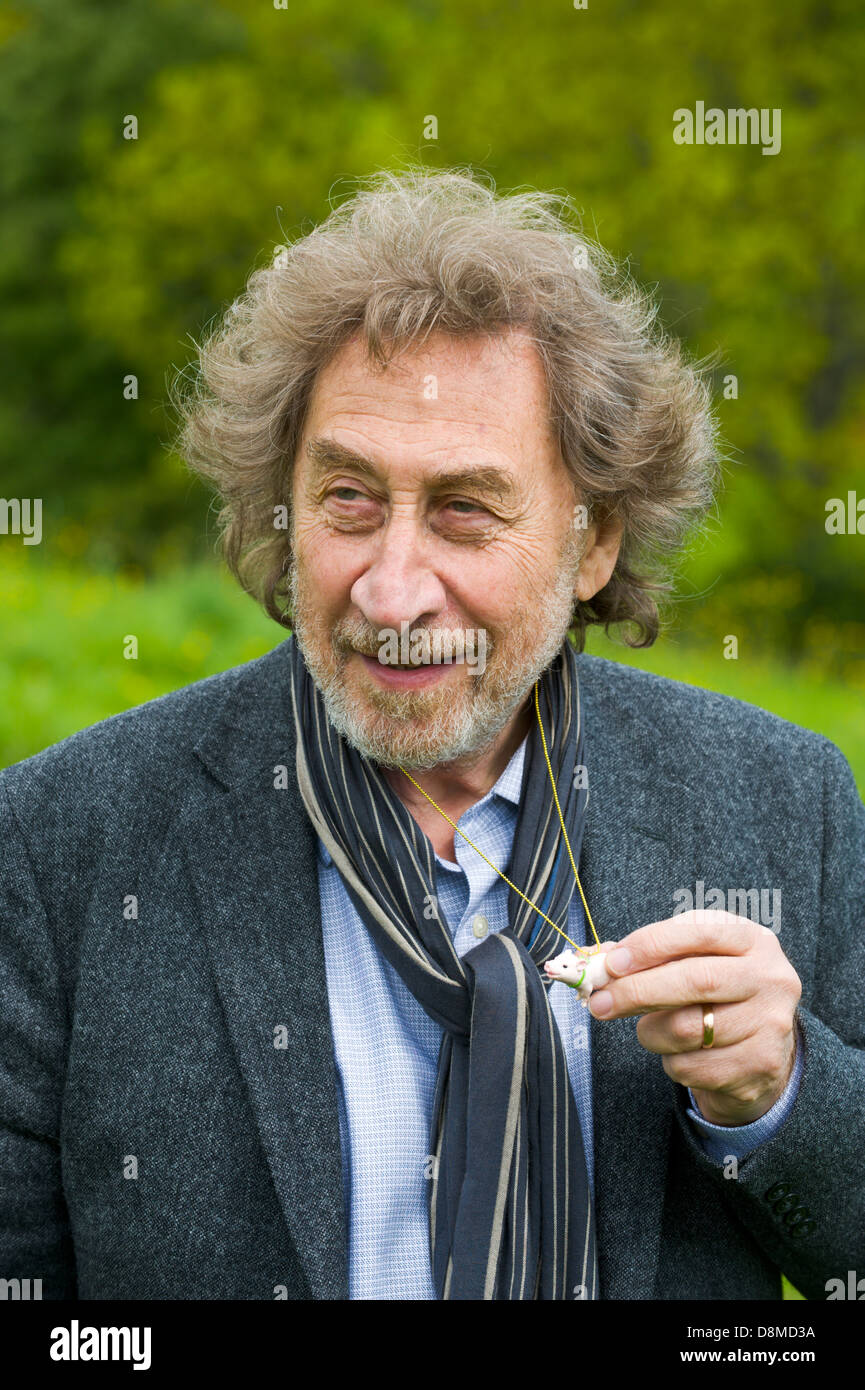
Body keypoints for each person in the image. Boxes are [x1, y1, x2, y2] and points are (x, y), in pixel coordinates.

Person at [1, 167, 862, 1301]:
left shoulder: (780, 800)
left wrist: (785, 1095)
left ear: (592, 540)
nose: (394, 589)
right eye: (348, 499)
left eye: (465, 508)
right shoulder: (60, 840)